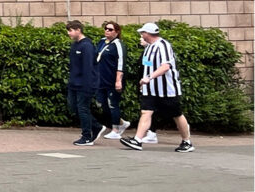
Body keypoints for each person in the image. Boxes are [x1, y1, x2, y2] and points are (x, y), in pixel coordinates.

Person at [120, 23, 194, 152]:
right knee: (146, 111)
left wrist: (149, 77)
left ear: (148, 34)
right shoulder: (149, 47)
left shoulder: (163, 46)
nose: (141, 35)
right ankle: (137, 140)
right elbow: (147, 65)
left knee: (177, 114)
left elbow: (166, 66)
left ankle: (187, 141)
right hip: (150, 89)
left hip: (167, 89)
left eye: (142, 33)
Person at [66, 20, 107, 146]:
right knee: (74, 107)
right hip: (74, 83)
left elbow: (89, 67)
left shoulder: (87, 46)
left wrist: (88, 84)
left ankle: (87, 136)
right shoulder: (75, 45)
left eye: (71, 30)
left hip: (85, 84)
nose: (69, 33)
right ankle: (96, 126)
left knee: (83, 108)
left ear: (78, 30)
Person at [96, 21, 131, 139]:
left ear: (117, 32)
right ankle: (122, 123)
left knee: (113, 104)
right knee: (101, 103)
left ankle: (115, 129)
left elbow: (121, 63)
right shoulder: (102, 41)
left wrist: (118, 80)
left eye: (110, 29)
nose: (107, 31)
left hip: (112, 80)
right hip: (101, 79)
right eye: (106, 28)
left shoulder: (118, 44)